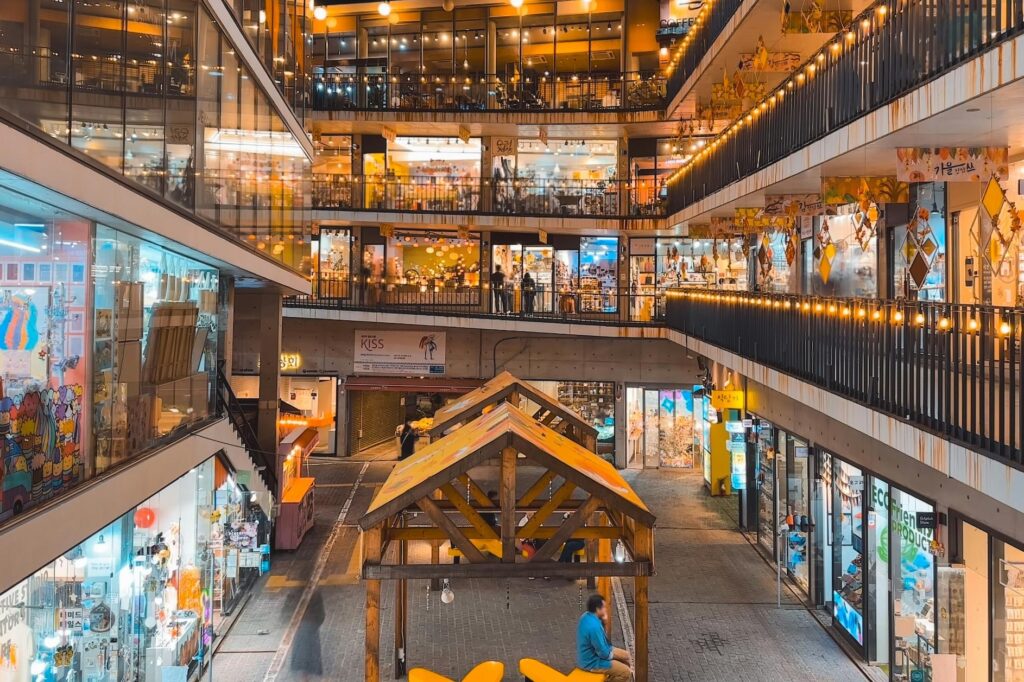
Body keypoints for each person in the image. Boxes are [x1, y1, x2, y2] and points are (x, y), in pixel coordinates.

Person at [577, 594, 631, 681]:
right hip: (592, 662)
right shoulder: (594, 627)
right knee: (625, 672)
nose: (606, 609)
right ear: (598, 609)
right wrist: (616, 657)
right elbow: (603, 652)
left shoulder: (585, 616)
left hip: (589, 655)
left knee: (626, 656)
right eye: (604, 607)